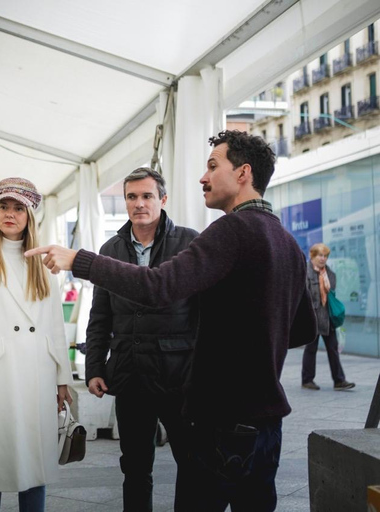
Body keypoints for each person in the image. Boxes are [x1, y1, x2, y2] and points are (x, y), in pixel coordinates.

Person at [27, 130, 318, 512]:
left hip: (222, 422)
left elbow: (157, 286)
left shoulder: (230, 230)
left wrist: (79, 260)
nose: (203, 177)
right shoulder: (287, 243)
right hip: (266, 425)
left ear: (244, 173)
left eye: (213, 166)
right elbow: (302, 330)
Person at [0, 177, 73, 512]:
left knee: (35, 466)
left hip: (38, 373)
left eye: (18, 207)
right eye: (4, 206)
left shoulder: (44, 262)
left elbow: (54, 326)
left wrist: (63, 378)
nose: (10, 213)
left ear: (30, 214)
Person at [86, 167, 199, 511]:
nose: (139, 204)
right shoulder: (110, 248)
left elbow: (203, 311)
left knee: (193, 464)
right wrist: (94, 367)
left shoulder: (190, 243)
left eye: (147, 196)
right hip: (131, 375)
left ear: (163, 200)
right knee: (135, 468)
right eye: (132, 197)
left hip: (179, 376)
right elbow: (100, 316)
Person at [301, 243, 355, 391]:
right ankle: (307, 380)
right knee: (311, 349)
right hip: (312, 317)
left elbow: (333, 290)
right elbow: (304, 295)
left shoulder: (329, 273)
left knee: (333, 348)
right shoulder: (306, 272)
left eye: (325, 256)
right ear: (313, 256)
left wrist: (325, 280)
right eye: (320, 255)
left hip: (327, 318)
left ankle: (339, 380)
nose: (323, 259)